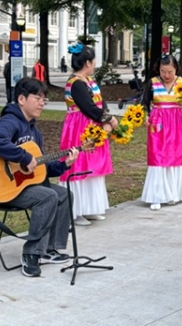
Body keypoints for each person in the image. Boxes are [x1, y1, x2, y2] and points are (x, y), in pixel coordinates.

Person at [0, 77, 80, 277]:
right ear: (21, 99)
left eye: (44, 100)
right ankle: (31, 253)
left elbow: (41, 168)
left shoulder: (35, 132)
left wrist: (65, 163)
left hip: (25, 186)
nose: (42, 103)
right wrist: (24, 156)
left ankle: (49, 249)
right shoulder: (10, 121)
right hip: (3, 187)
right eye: (38, 98)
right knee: (48, 196)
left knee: (64, 195)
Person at [60, 43, 118, 226]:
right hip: (79, 128)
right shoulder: (76, 83)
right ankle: (76, 212)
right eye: (93, 62)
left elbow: (100, 103)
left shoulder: (88, 80)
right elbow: (88, 107)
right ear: (87, 63)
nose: (94, 65)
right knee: (78, 166)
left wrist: (105, 114)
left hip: (91, 125)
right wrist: (109, 119)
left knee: (92, 165)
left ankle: (90, 208)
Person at [141, 54, 182, 210]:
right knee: (158, 156)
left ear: (176, 68)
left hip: (178, 124)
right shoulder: (153, 83)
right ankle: (157, 195)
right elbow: (144, 103)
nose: (167, 75)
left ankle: (175, 193)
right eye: (163, 71)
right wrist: (145, 116)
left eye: (170, 71)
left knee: (177, 155)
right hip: (159, 123)